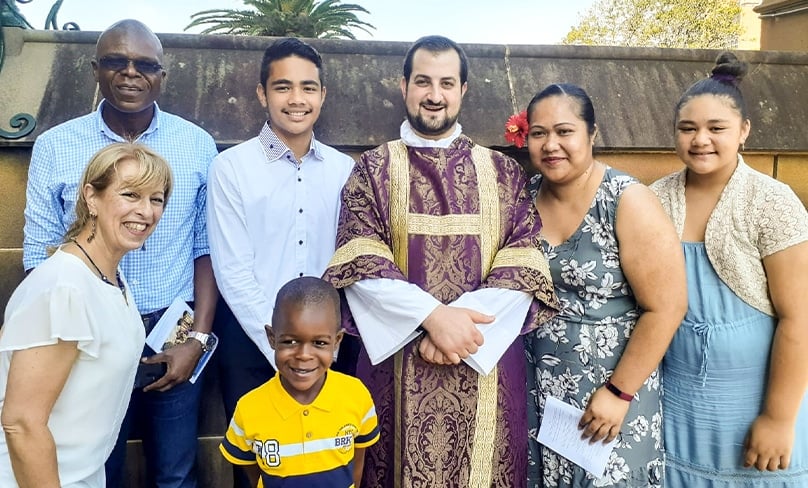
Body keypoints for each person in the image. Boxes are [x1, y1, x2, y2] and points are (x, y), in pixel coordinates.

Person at [322, 35, 558, 487]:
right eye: (424, 82)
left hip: (484, 364)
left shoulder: (503, 171)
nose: (435, 95)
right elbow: (359, 259)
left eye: (447, 83)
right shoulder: (371, 170)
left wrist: (457, 332)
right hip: (397, 365)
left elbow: (524, 263)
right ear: (404, 86)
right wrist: (431, 318)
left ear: (463, 90)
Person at [22, 19, 219, 488]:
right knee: (94, 468)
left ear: (162, 76)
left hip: (172, 325)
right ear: (95, 70)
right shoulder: (54, 147)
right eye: (116, 62)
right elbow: (38, 255)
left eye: (145, 65)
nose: (131, 74)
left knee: (176, 472)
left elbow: (207, 248)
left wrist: (196, 339)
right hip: (89, 330)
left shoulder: (197, 145)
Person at [651, 52, 808, 486]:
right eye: (688, 128)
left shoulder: (772, 202)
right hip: (678, 405)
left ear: (743, 132)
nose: (701, 139)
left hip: (754, 403)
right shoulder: (653, 200)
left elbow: (799, 317)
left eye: (716, 128)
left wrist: (777, 418)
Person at [206, 36, 356, 488]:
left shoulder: (344, 170)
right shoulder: (231, 168)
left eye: (309, 87)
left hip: (328, 350)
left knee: (331, 466)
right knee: (258, 471)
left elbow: (350, 260)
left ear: (322, 95)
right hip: (254, 347)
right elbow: (232, 269)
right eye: (283, 87)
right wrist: (283, 348)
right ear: (262, 93)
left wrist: (316, 349)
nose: (297, 99)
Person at [522, 83, 687, 487]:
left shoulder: (626, 200)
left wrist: (619, 393)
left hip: (610, 390)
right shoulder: (523, 198)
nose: (550, 144)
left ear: (591, 134)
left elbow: (667, 306)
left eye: (564, 131)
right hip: (538, 389)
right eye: (539, 133)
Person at [0, 143, 172, 487]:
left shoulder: (110, 277)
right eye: (130, 195)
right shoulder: (64, 289)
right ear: (91, 197)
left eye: (156, 199)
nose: (146, 211)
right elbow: (22, 423)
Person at [219, 277, 379, 487]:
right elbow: (253, 473)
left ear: (337, 341)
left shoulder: (356, 396)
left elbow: (357, 464)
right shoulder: (249, 409)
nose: (304, 355)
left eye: (319, 343)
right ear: (272, 338)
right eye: (290, 341)